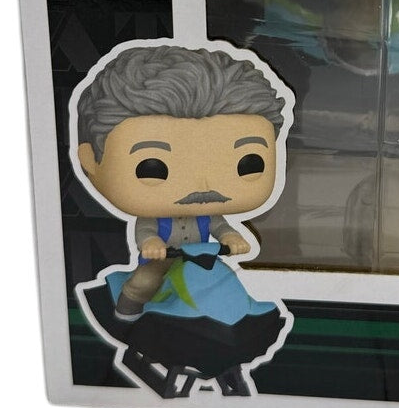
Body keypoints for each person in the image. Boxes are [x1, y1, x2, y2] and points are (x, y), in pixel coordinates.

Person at [74, 45, 287, 321]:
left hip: (201, 260)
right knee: (145, 282)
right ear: (91, 160)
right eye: (152, 167)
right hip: (162, 261)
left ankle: (240, 309)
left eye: (249, 163)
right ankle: (128, 312)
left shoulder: (208, 213)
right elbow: (145, 231)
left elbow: (219, 225)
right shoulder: (153, 217)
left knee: (224, 277)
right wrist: (151, 243)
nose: (202, 184)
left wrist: (231, 237)